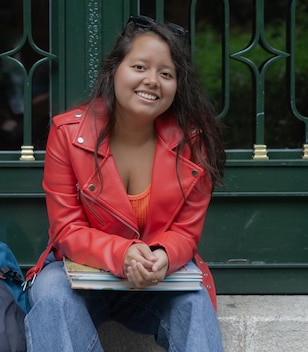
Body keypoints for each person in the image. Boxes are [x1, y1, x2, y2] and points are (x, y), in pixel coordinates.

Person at [24, 15, 226, 352]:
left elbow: (186, 234)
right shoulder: (67, 133)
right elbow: (66, 229)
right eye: (140, 67)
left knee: (194, 300)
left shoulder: (194, 141)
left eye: (166, 74)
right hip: (81, 275)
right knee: (51, 294)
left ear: (178, 86)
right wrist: (124, 254)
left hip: (158, 280)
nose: (152, 81)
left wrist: (163, 255)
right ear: (113, 71)